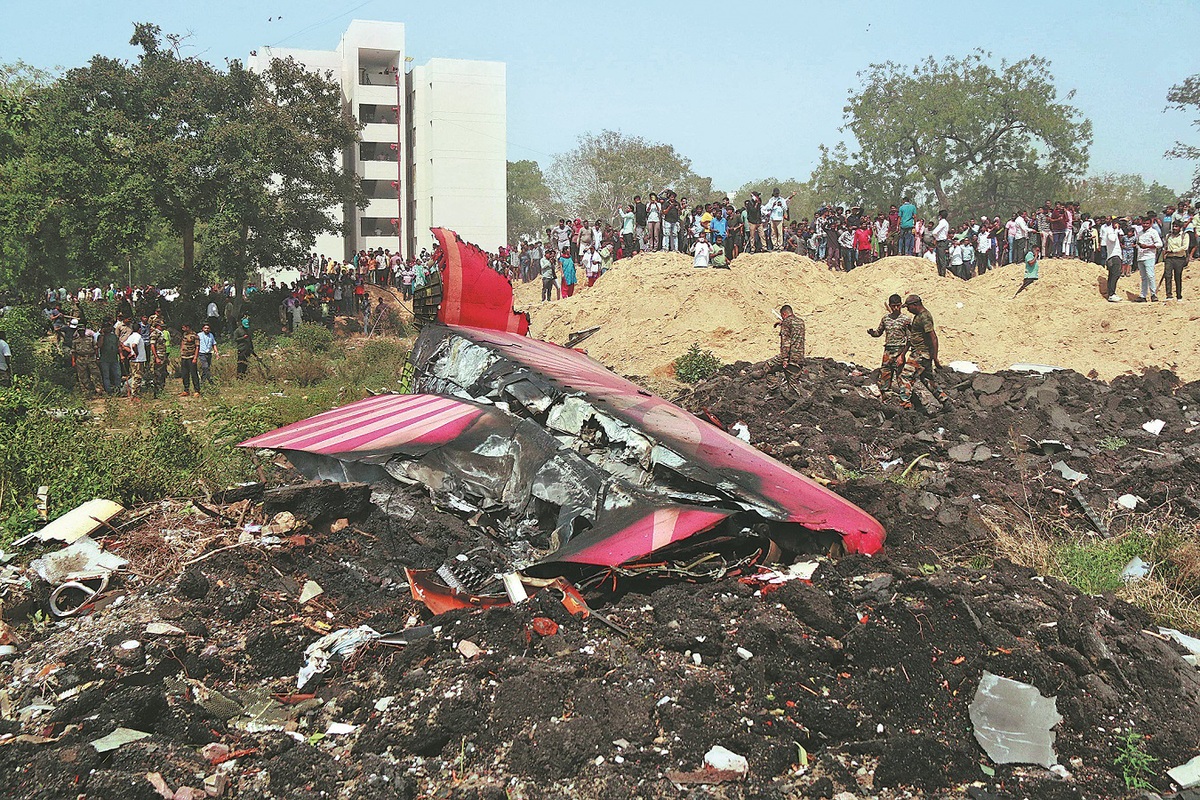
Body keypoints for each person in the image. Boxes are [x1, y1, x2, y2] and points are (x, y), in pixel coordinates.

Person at [896, 294, 949, 410]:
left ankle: (905, 405)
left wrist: (935, 357)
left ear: (915, 305)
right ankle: (944, 400)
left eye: (908, 307)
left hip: (920, 353)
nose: (908, 310)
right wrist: (910, 328)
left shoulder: (924, 317)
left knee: (905, 376)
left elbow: (933, 337)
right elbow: (918, 334)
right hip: (923, 353)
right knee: (927, 379)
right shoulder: (918, 316)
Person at [867, 294, 910, 396]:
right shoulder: (885, 319)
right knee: (885, 375)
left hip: (899, 350)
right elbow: (879, 333)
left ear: (901, 305)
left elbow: (910, 339)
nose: (896, 308)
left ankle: (905, 400)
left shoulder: (906, 320)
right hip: (888, 351)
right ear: (890, 305)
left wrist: (902, 355)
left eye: (898, 305)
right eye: (893, 306)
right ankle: (886, 398)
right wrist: (872, 333)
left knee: (901, 377)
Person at [750, 304, 805, 381]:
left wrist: (785, 359)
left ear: (784, 314)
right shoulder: (801, 322)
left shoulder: (786, 323)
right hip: (799, 357)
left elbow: (786, 343)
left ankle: (772, 387)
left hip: (789, 357)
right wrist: (784, 323)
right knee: (793, 382)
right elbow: (794, 329)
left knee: (767, 367)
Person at [70, 323, 102, 398]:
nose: (81, 332)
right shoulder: (75, 341)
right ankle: (87, 391)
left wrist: (97, 357)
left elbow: (95, 348)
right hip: (81, 359)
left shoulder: (90, 339)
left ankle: (99, 390)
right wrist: (73, 361)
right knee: (82, 376)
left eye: (82, 330)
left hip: (91, 358)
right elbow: (73, 352)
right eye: (80, 331)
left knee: (96, 374)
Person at [1135, 218, 1163, 302]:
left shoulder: (1153, 232)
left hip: (1149, 256)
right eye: (1144, 223)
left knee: (1150, 275)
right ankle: (1143, 295)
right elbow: (1137, 243)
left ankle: (1153, 294)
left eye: (1147, 223)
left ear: (1150, 224)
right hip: (1140, 257)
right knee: (1143, 277)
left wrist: (1147, 246)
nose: (1145, 225)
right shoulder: (1140, 233)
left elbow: (1159, 244)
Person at [1164, 220, 1189, 301]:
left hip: (1179, 258)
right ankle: (1169, 295)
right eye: (1173, 226)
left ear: (1180, 227)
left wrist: (1173, 251)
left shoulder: (1184, 235)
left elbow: (1185, 247)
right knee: (1168, 276)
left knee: (1177, 276)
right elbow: (1166, 246)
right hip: (1169, 258)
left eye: (1176, 226)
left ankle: (1179, 295)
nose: (1174, 228)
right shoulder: (1168, 236)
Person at [1100, 217, 1124, 302]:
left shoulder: (1114, 231)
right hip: (1114, 256)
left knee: (1113, 275)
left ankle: (1111, 293)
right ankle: (1111, 294)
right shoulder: (1110, 231)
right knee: (1114, 275)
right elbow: (1112, 239)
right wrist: (1116, 230)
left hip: (1116, 255)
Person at [124, 324, 146, 397]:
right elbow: (134, 345)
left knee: (133, 376)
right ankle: (135, 395)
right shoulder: (137, 336)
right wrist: (136, 353)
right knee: (137, 377)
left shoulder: (131, 336)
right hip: (138, 360)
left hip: (133, 360)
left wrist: (131, 352)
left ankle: (132, 393)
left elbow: (124, 345)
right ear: (139, 329)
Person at [179, 322, 201, 395]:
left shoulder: (195, 335)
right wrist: (181, 351)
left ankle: (197, 390)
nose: (183, 329)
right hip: (184, 357)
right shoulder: (184, 334)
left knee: (194, 374)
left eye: (184, 327)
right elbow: (182, 343)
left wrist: (195, 357)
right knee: (185, 374)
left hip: (191, 357)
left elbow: (197, 347)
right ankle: (186, 390)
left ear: (188, 327)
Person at [149, 320, 169, 396]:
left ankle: (162, 388)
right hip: (158, 355)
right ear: (157, 326)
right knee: (157, 373)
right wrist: (156, 357)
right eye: (161, 326)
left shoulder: (161, 333)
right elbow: (152, 346)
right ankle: (156, 391)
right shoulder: (154, 334)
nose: (163, 327)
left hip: (163, 355)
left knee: (163, 373)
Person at [931, 210, 950, 277]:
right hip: (942, 241)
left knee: (941, 259)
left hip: (941, 242)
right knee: (940, 258)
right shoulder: (946, 223)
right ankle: (941, 273)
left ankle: (942, 274)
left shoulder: (942, 222)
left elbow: (934, 232)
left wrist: (936, 238)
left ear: (940, 216)